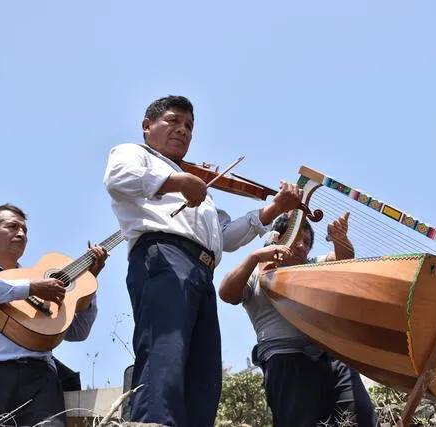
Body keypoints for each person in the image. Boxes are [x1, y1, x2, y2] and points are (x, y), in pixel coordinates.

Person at [103, 95, 302, 427]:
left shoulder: (199, 189)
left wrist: (275, 208)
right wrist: (178, 181)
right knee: (165, 350)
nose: (182, 130)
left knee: (202, 369)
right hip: (164, 256)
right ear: (146, 126)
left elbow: (225, 236)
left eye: (189, 126)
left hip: (201, 270)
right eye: (173, 121)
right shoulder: (134, 153)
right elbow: (119, 179)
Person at [0, 203, 108, 427]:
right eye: (12, 227)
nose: (21, 233)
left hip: (40, 380)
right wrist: (30, 288)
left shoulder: (44, 284)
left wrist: (88, 286)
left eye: (25, 229)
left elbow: (78, 332)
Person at [219, 211, 377, 427]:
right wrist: (255, 257)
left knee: (361, 416)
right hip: (285, 359)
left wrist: (340, 239)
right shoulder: (256, 273)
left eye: (307, 242)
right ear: (278, 238)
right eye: (297, 238)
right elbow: (227, 293)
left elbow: (345, 262)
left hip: (329, 356)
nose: (303, 246)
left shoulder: (311, 266)